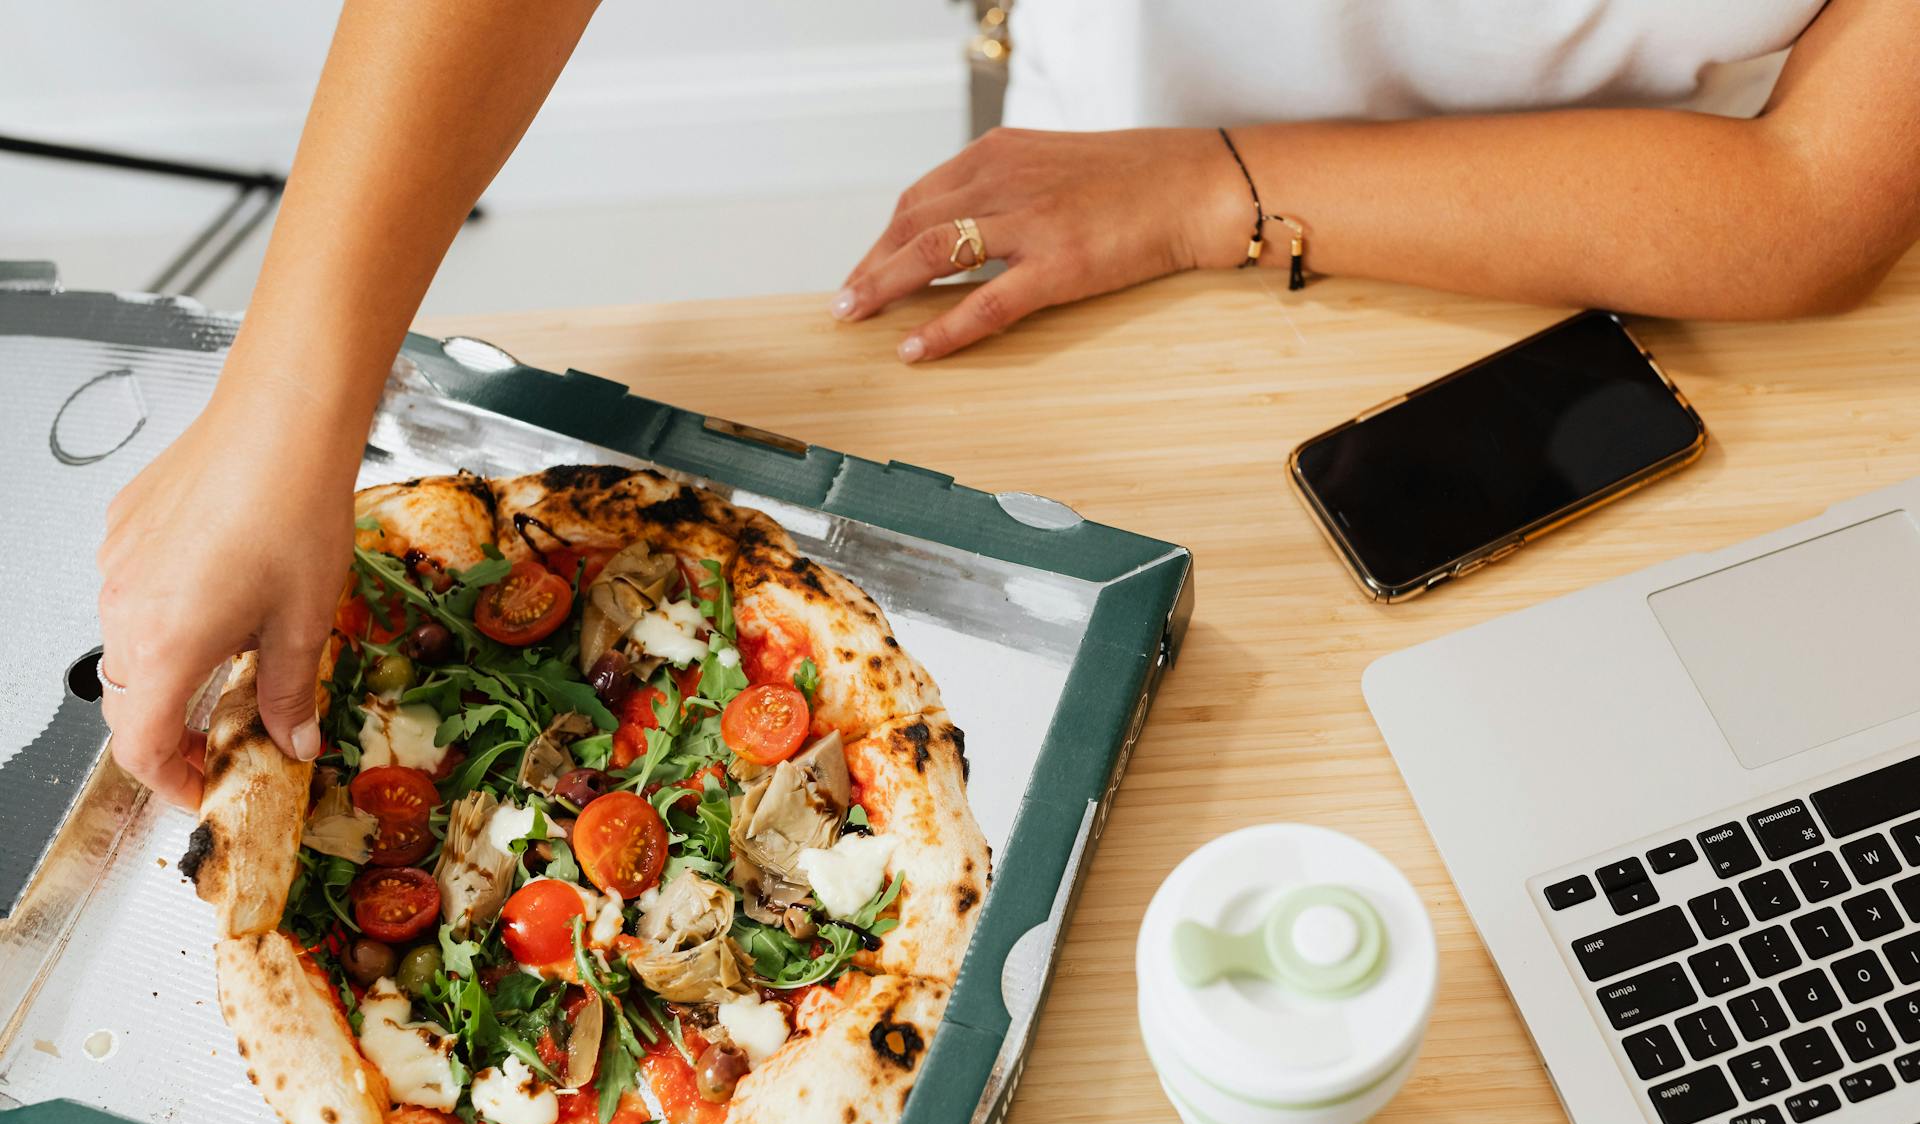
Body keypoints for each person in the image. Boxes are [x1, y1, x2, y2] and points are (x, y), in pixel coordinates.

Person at [98, 0, 1920, 809]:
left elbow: (1816, 196)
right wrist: (285, 407)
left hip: (1609, 253)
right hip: (1107, 212)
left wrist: (1221, 181)